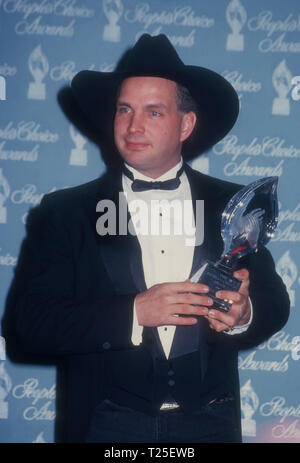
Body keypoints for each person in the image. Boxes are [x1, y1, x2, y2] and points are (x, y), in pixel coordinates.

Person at [3, 34, 289, 443]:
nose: (134, 126)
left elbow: (274, 302)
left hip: (210, 424)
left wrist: (243, 313)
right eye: (125, 110)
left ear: (186, 123)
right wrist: (134, 311)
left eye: (154, 112)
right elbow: (28, 325)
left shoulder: (232, 203)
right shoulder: (64, 211)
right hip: (104, 426)